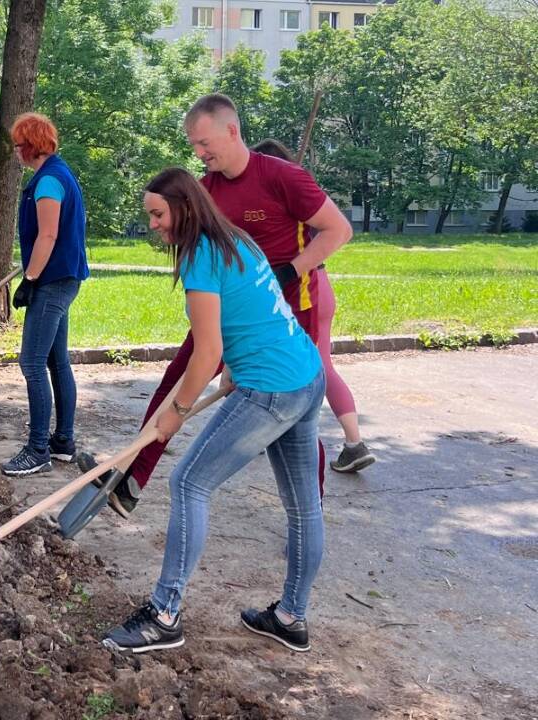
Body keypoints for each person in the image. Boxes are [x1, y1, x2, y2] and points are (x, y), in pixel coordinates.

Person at [93, 93, 357, 516]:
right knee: (175, 382)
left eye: (203, 143)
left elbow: (338, 230)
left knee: (294, 413)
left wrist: (290, 270)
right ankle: (130, 480)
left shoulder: (283, 176)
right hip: (228, 307)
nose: (198, 153)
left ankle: (313, 509)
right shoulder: (207, 190)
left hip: (286, 312)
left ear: (231, 131)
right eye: (193, 146)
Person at [102, 167, 326, 654]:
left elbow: (204, 353)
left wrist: (176, 412)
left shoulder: (202, 256)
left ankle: (164, 615)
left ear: (184, 207)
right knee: (304, 504)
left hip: (272, 389)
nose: (154, 225)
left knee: (188, 482)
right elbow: (257, 310)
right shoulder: (234, 238)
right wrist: (234, 366)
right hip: (306, 374)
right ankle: (291, 617)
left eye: (159, 214)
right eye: (150, 216)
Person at [251, 139, 375, 472]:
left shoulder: (276, 196)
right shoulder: (304, 194)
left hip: (301, 290)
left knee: (296, 369)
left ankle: (269, 436)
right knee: (323, 365)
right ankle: (353, 442)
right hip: (322, 284)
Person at [1, 112, 89, 477]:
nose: (16, 152)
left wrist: (30, 278)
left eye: (19, 145)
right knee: (56, 360)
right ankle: (63, 442)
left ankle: (38, 448)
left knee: (32, 362)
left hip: (53, 281)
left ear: (31, 145)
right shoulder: (57, 173)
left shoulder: (49, 181)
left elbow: (48, 236)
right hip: (61, 278)